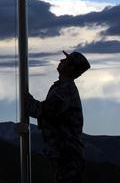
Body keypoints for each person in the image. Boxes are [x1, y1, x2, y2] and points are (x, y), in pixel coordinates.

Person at [26, 50, 90, 183]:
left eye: (66, 60)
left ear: (71, 67)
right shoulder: (63, 87)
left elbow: (45, 111)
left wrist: (27, 101)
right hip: (65, 154)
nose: (61, 61)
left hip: (67, 154)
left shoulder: (65, 89)